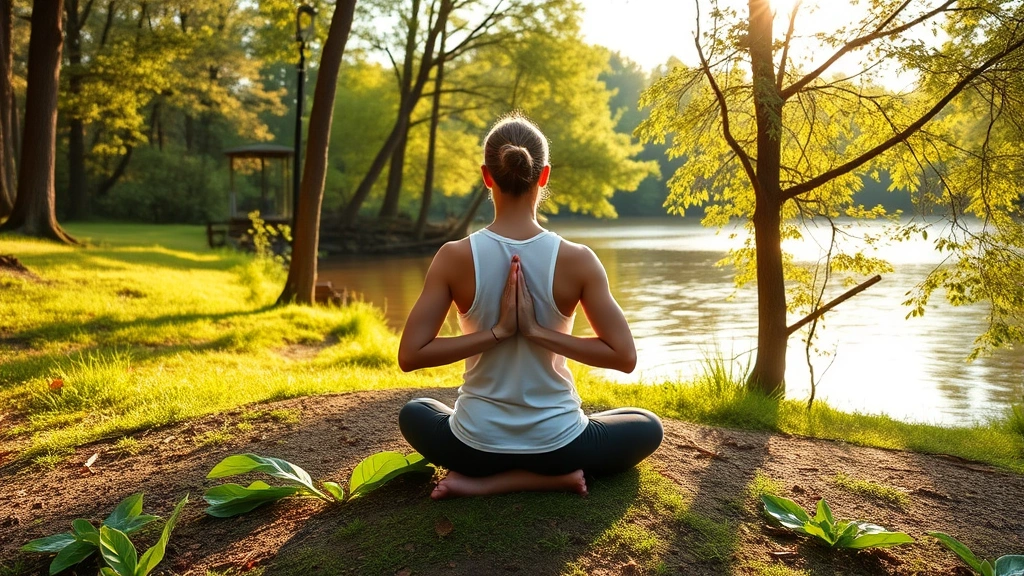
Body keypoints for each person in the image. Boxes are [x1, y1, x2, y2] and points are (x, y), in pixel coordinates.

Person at [397, 113, 662, 499]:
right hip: (558, 448)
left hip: (474, 447)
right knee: (646, 424)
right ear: (544, 175)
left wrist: (497, 334)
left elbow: (410, 354)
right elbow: (624, 356)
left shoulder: (453, 257)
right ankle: (551, 479)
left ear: (487, 176)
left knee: (416, 411)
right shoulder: (578, 259)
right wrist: (540, 333)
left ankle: (482, 483)